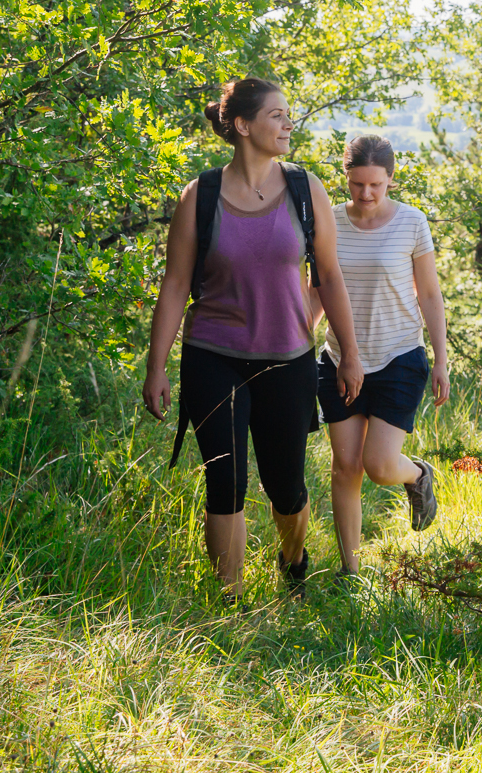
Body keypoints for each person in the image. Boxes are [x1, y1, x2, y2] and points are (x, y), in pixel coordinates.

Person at [142, 77, 363, 605]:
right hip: (212, 356)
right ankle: (230, 605)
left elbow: (329, 277)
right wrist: (156, 367)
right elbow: (175, 285)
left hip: (288, 358)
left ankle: (293, 561)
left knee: (285, 486)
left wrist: (349, 354)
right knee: (225, 482)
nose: (289, 124)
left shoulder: (306, 190)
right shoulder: (202, 196)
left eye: (290, 115)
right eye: (276, 116)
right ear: (242, 125)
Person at [318, 134, 451, 577]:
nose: (366, 194)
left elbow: (429, 293)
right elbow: (318, 292)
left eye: (376, 184)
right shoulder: (329, 222)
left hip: (398, 356)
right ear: (347, 179)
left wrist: (442, 359)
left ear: (391, 179)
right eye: (357, 184)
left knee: (377, 465)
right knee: (345, 468)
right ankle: (350, 571)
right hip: (339, 359)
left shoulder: (412, 222)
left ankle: (417, 476)